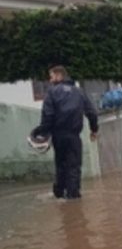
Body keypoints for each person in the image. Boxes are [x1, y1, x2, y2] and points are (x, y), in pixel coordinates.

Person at [31, 65, 99, 199]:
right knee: (73, 168)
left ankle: (59, 195)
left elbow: (47, 116)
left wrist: (43, 133)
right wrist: (94, 129)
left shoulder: (52, 92)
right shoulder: (79, 92)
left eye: (51, 77)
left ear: (59, 76)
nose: (50, 80)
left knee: (60, 166)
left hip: (58, 136)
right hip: (74, 137)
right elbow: (92, 113)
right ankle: (73, 199)